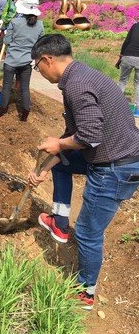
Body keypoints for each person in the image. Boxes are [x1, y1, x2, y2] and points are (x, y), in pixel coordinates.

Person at [29, 33, 139, 311]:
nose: (38, 72)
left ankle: (85, 293)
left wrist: (57, 143)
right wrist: (44, 168)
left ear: (46, 60)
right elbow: (74, 141)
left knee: (89, 234)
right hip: (112, 156)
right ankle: (60, 223)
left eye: (36, 67)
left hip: (115, 167)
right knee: (61, 166)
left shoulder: (77, 85)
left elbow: (89, 136)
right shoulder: (80, 75)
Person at [0, 0, 44, 121]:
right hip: (26, 62)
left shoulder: (15, 22)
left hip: (11, 60)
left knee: (6, 87)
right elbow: (40, 44)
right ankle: (24, 115)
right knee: (24, 88)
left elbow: (6, 41)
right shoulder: (40, 25)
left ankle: (0, 113)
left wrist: (8, 34)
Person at [116, 21, 139, 117]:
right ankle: (137, 110)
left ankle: (115, 105)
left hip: (127, 56)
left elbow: (126, 41)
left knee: (122, 81)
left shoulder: (135, 26)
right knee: (138, 84)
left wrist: (120, 57)